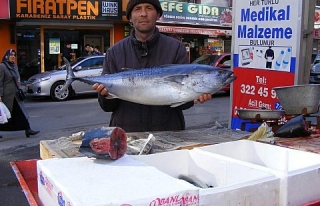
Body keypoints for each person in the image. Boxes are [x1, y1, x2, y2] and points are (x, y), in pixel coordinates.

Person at [93, 0, 211, 132]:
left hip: (169, 132)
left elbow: (181, 103)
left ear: (158, 14)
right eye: (137, 9)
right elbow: (107, 107)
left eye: (149, 8)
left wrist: (194, 96)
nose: (143, 14)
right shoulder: (115, 52)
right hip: (126, 135)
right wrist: (105, 94)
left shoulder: (176, 48)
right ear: (130, 17)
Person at [0, 49, 40, 138]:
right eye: (11, 55)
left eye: (14, 55)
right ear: (7, 56)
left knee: (20, 113)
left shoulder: (15, 66)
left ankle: (27, 129)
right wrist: (0, 95)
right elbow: (0, 82)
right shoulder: (2, 67)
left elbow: (17, 80)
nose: (13, 57)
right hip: (7, 96)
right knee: (4, 115)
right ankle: (27, 129)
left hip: (16, 95)